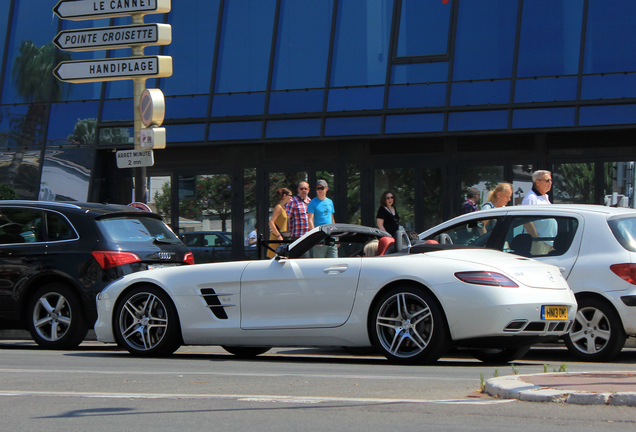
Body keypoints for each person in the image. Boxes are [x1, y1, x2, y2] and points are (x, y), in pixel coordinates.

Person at [308, 179, 336, 257]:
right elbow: (310, 220)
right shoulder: (312, 203)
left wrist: (336, 234)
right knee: (319, 263)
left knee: (334, 262)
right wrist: (315, 237)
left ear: (326, 189)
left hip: (331, 236)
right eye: (318, 188)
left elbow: (332, 218)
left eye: (322, 188)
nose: (320, 190)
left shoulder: (330, 202)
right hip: (320, 236)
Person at [267, 188, 292, 258]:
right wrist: (278, 236)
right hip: (277, 238)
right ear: (284, 196)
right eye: (290, 195)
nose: (291, 197)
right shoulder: (278, 207)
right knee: (273, 259)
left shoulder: (284, 208)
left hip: (283, 237)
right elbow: (271, 222)